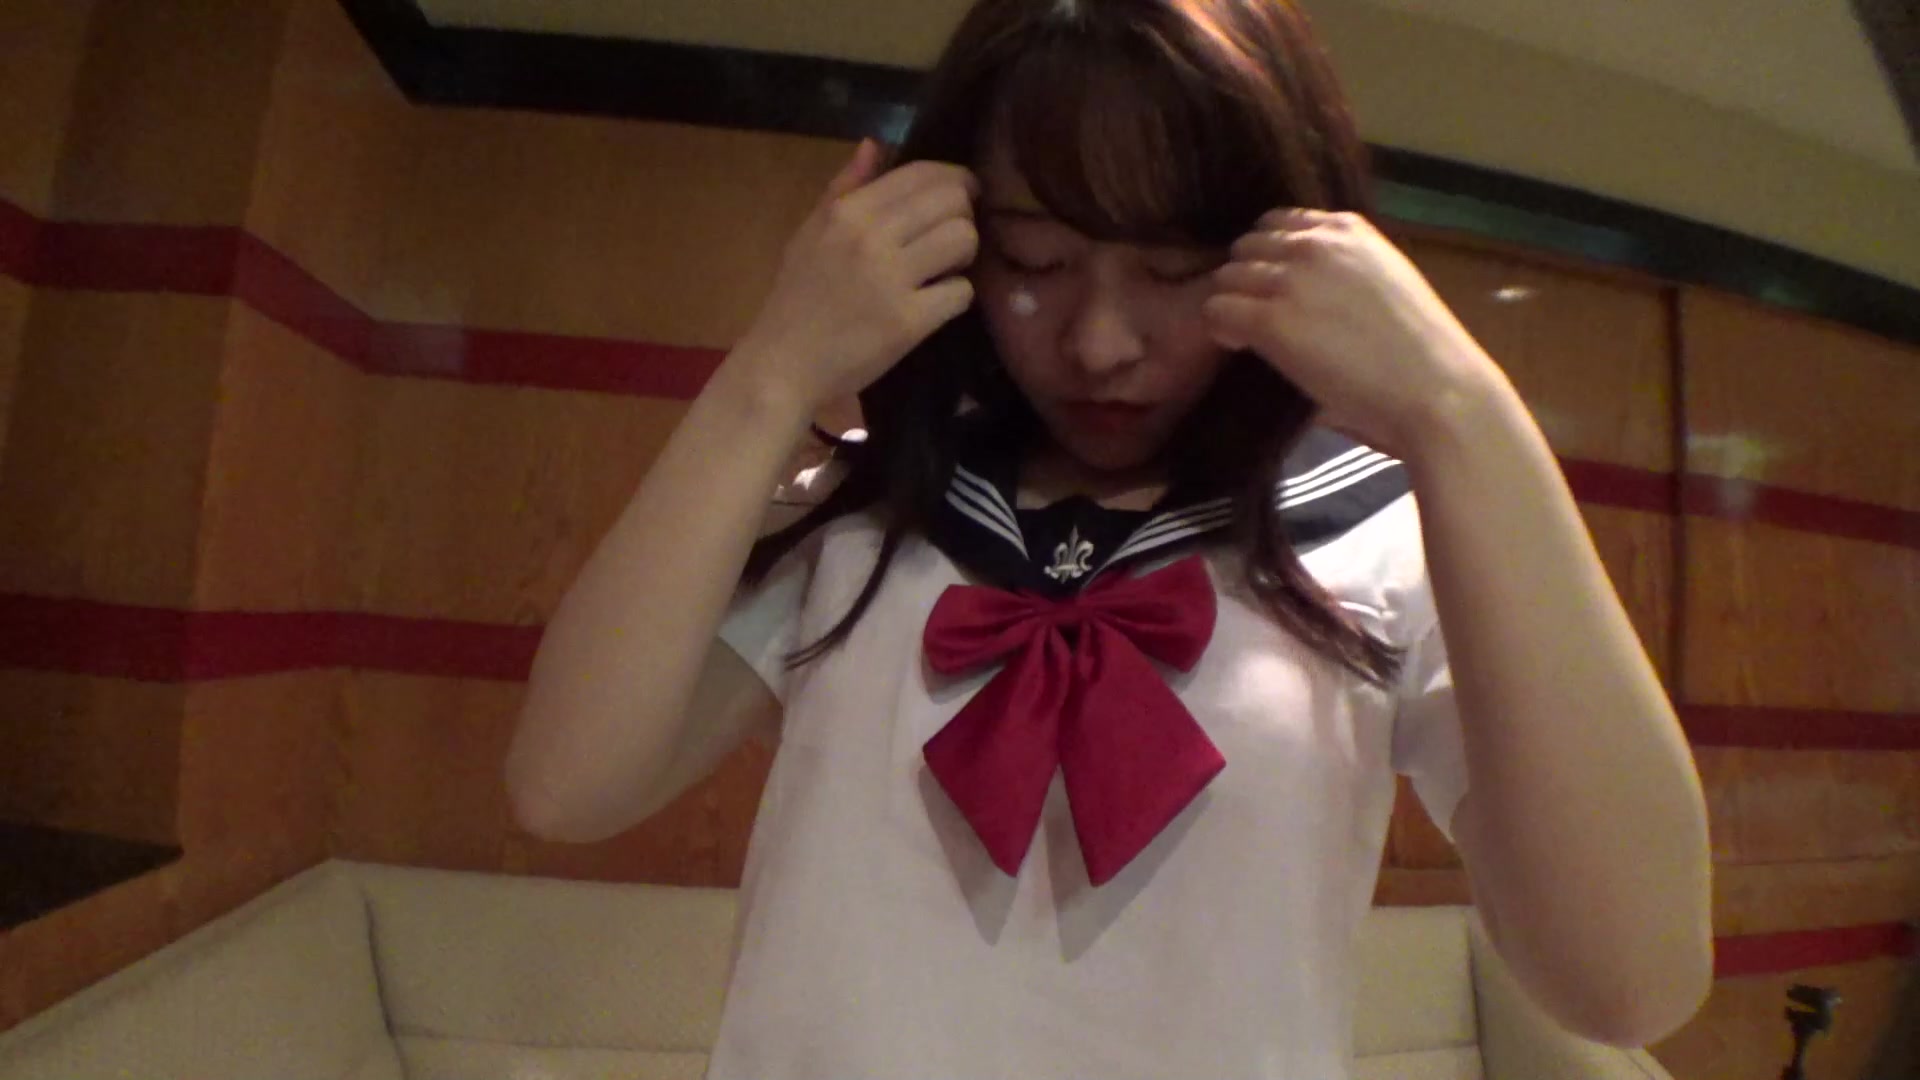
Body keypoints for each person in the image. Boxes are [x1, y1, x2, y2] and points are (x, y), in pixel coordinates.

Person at [504, 1, 1715, 1076]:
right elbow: (565, 786)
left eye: (1176, 269)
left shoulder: (1379, 535)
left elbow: (1630, 984)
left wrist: (1463, 414)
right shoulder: (866, 508)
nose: (1099, 344)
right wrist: (774, 368)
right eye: (1036, 260)